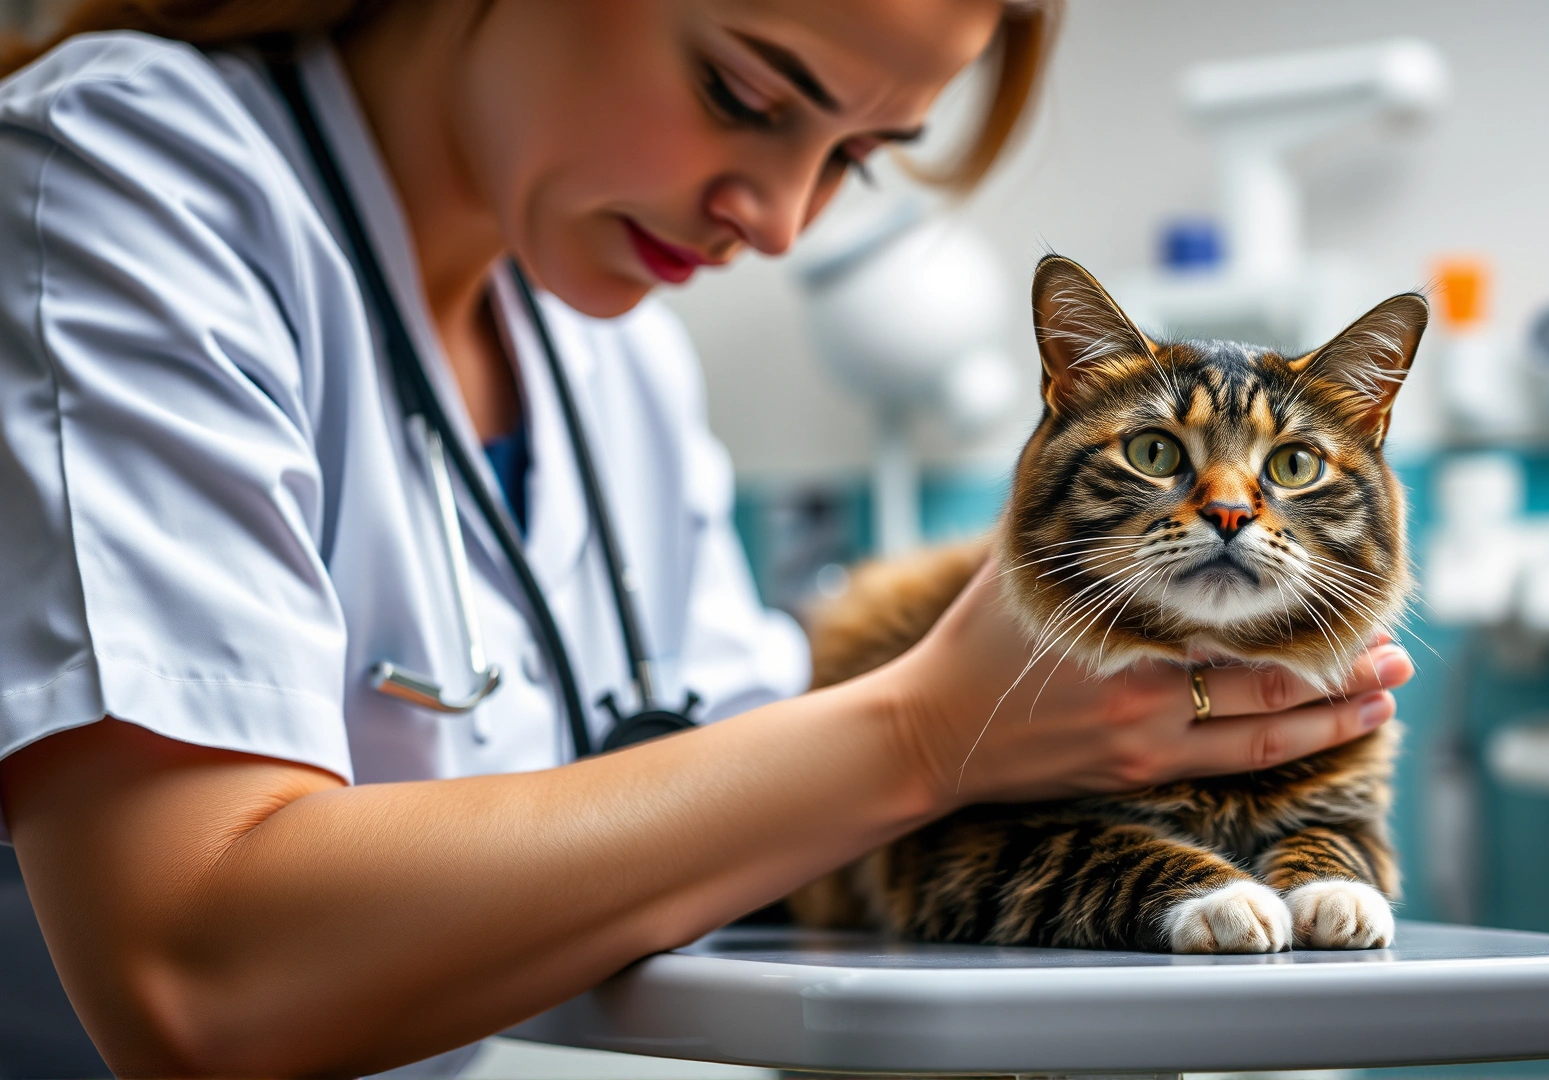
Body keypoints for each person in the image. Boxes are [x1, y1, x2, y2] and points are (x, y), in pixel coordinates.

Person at [0, 1, 1415, 1076]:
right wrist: (926, 731)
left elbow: (751, 825)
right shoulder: (126, 180)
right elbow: (200, 975)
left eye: (855, 159)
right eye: (744, 93)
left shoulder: (613, 355)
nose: (782, 221)